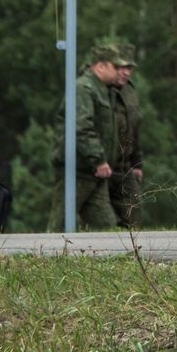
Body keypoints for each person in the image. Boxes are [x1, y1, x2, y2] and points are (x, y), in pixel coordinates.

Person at [73, 44, 121, 229]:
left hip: (95, 171)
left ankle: (113, 256)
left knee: (107, 227)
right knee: (61, 224)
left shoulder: (103, 90)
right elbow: (82, 127)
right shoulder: (84, 88)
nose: (119, 72)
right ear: (100, 66)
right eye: (115, 67)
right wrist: (98, 158)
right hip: (78, 170)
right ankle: (44, 256)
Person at [111, 43, 144, 228]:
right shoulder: (98, 90)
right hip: (101, 165)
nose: (125, 72)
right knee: (101, 220)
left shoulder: (130, 91)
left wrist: (137, 163)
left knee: (134, 210)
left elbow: (135, 128)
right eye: (121, 67)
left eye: (129, 67)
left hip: (124, 165)